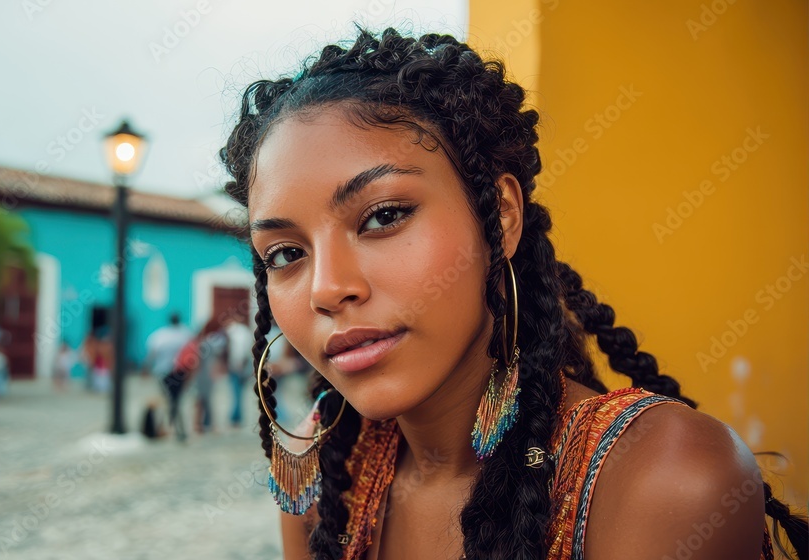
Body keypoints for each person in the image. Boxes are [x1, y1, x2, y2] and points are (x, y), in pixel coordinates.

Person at [219, 27, 807, 560]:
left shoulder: (664, 478)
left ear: (499, 216)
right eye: (286, 254)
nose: (327, 289)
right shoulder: (329, 479)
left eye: (383, 216)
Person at [144, 312, 193, 441]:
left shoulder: (160, 335)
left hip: (163, 373)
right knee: (175, 401)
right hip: (180, 372)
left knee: (169, 401)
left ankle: (166, 428)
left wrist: (146, 369)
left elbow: (151, 355)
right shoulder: (186, 334)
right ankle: (176, 430)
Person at [191, 317, 228, 435]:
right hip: (204, 374)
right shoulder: (207, 343)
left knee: (202, 401)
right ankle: (201, 424)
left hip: (202, 374)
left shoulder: (202, 342)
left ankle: (202, 424)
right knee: (203, 401)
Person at [223, 314, 255, 428]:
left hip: (236, 367)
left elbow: (239, 351)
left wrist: (237, 365)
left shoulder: (233, 332)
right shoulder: (245, 332)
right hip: (243, 367)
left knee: (236, 393)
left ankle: (235, 417)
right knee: (239, 393)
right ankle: (237, 416)